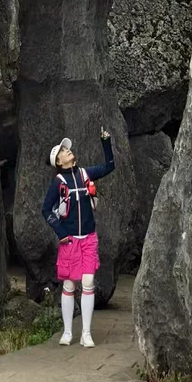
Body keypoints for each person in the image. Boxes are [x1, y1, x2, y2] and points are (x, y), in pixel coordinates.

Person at [41, 127, 115, 348]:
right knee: (69, 284)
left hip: (89, 237)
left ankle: (86, 333)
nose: (68, 151)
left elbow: (110, 166)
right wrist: (61, 233)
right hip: (70, 240)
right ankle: (67, 332)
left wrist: (106, 142)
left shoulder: (84, 173)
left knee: (88, 281)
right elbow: (46, 210)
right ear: (59, 162)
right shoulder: (59, 182)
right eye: (64, 151)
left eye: (68, 149)